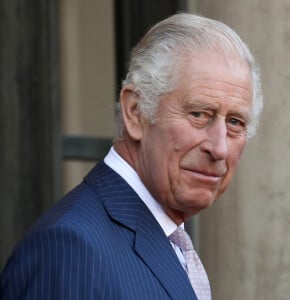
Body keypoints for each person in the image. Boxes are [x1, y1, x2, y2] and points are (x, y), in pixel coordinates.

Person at [0, 12, 263, 300]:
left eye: (235, 122)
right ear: (135, 112)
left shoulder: (169, 239)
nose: (220, 148)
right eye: (199, 114)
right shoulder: (69, 249)